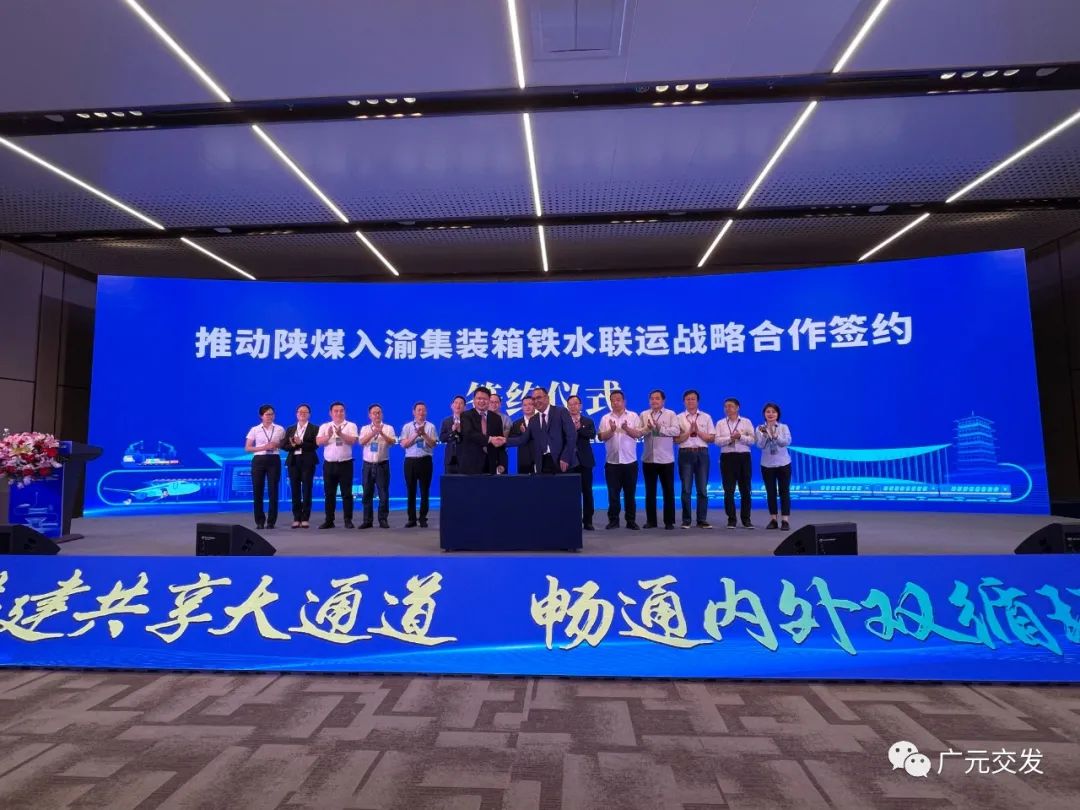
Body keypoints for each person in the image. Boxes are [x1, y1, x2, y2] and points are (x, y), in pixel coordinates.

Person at [597, 390, 643, 529]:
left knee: (630, 494)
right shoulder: (605, 418)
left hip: (630, 462)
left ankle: (631, 520)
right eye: (613, 400)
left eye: (618, 400)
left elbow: (638, 434)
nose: (615, 402)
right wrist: (611, 430)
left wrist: (626, 428)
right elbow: (601, 437)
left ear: (624, 401)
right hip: (612, 463)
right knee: (613, 494)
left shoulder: (633, 416)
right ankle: (613, 520)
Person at [506, 386, 577, 474]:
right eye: (534, 399)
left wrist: (566, 457)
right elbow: (523, 439)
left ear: (547, 398)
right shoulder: (533, 420)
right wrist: (503, 441)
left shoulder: (561, 412)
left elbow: (571, 436)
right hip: (543, 463)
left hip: (563, 461)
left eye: (539, 398)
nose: (536, 401)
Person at [640, 389, 680, 530]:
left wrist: (659, 427)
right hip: (648, 458)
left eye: (657, 398)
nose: (654, 401)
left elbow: (676, 431)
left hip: (666, 459)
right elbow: (639, 432)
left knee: (668, 491)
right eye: (652, 398)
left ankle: (669, 521)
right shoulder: (644, 414)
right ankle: (651, 521)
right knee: (650, 492)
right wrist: (647, 428)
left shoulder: (671, 414)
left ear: (663, 401)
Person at [675, 389, 715, 529]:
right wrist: (688, 432)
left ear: (697, 401)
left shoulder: (706, 417)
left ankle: (701, 520)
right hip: (685, 453)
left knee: (702, 489)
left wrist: (698, 432)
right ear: (684, 402)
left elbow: (711, 438)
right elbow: (676, 439)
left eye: (693, 399)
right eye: (688, 399)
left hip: (702, 453)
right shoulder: (678, 418)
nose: (690, 401)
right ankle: (686, 520)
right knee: (686, 489)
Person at [715, 397, 755, 529]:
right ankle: (731, 519)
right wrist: (730, 439)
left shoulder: (746, 422)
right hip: (727, 458)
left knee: (746, 490)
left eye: (731, 406)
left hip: (743, 457)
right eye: (726, 406)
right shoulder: (720, 423)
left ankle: (746, 519)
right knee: (728, 490)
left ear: (737, 407)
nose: (728, 408)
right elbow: (717, 441)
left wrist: (740, 437)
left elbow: (752, 440)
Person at [317, 401, 358, 529]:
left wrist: (340, 434)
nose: (339, 413)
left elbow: (353, 440)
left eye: (341, 411)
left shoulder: (351, 425)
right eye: (336, 411)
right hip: (329, 464)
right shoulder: (325, 426)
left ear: (344, 412)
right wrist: (328, 435)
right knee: (329, 494)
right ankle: (329, 520)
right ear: (330, 413)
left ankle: (348, 520)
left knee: (347, 494)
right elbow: (318, 442)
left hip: (346, 464)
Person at [245, 404, 285, 530]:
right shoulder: (255, 429)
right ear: (261, 416)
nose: (270, 416)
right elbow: (248, 448)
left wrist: (276, 445)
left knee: (273, 491)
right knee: (258, 491)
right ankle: (259, 521)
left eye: (272, 414)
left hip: (274, 460)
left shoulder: (280, 429)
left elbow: (284, 445)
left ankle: (271, 521)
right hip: (259, 460)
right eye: (267, 414)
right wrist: (264, 447)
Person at [358, 404, 397, 529]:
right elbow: (361, 442)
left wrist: (382, 433)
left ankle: (383, 519)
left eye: (379, 412)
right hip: (368, 465)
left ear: (382, 414)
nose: (377, 415)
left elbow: (392, 442)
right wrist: (373, 433)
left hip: (382, 465)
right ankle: (367, 520)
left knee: (383, 493)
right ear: (369, 415)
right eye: (374, 413)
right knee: (367, 493)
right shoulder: (365, 428)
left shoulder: (388, 428)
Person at [756, 402, 792, 531]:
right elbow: (759, 445)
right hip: (767, 465)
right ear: (764, 414)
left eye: (773, 412)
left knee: (784, 492)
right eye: (768, 412)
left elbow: (787, 442)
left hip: (783, 464)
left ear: (777, 414)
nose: (770, 414)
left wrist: (776, 437)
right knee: (770, 492)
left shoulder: (783, 427)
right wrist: (765, 436)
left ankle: (785, 520)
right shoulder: (760, 428)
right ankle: (773, 519)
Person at [400, 401, 437, 528]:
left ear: (426, 412)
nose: (421, 412)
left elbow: (433, 444)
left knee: (424, 491)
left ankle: (423, 518)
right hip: (410, 461)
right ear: (414, 412)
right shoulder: (407, 427)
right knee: (411, 491)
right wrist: (416, 434)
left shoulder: (431, 426)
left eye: (423, 410)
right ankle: (411, 518)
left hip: (425, 461)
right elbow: (404, 444)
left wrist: (424, 434)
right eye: (419, 410)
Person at [283, 403, 318, 528]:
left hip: (308, 461)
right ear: (296, 414)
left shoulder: (314, 428)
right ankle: (296, 517)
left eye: (305, 412)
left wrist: (301, 443)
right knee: (295, 489)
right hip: (294, 461)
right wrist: (293, 445)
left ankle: (305, 517)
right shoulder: (290, 429)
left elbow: (315, 445)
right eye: (300, 412)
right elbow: (284, 446)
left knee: (307, 489)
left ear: (309, 415)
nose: (302, 414)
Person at [458, 386, 507, 474]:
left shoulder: (496, 418)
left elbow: (500, 442)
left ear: (489, 400)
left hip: (491, 464)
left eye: (485, 399)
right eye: (479, 398)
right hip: (470, 464)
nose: (481, 401)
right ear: (474, 400)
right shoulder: (466, 415)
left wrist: (502, 463)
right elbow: (469, 433)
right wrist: (490, 439)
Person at [567, 394, 597, 530]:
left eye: (575, 404)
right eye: (570, 404)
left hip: (585, 461)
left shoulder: (588, 421)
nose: (573, 406)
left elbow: (592, 434)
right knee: (571, 493)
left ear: (580, 406)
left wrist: (579, 429)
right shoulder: (563, 421)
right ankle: (572, 520)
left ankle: (588, 521)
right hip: (569, 461)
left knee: (587, 492)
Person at [510, 395, 537, 474]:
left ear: (534, 406)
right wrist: (523, 435)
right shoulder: (516, 424)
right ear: (522, 407)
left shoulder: (541, 421)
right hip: (523, 460)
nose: (527, 407)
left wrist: (526, 433)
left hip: (539, 458)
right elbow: (513, 440)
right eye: (525, 405)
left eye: (530, 404)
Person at [439, 395, 466, 474]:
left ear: (465, 407)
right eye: (456, 403)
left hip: (464, 459)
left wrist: (460, 430)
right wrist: (452, 431)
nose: (458, 405)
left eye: (461, 403)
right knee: (449, 481)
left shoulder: (469, 421)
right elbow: (442, 438)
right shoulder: (446, 421)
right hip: (450, 459)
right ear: (452, 406)